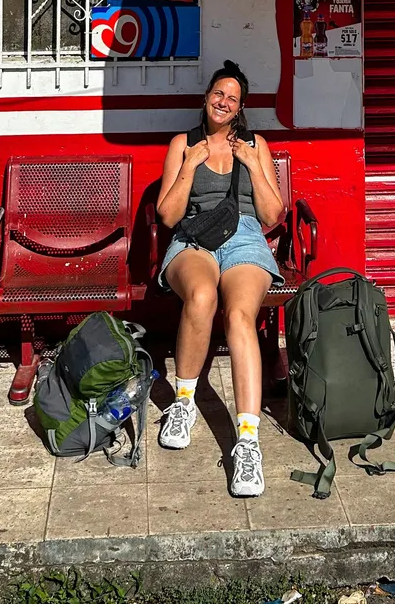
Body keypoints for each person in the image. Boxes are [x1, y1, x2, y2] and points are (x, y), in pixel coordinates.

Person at [155, 60, 285, 496]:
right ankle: (184, 403)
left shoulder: (255, 144)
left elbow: (272, 215)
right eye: (217, 93)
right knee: (201, 296)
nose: (223, 101)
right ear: (206, 97)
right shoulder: (182, 144)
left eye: (232, 97)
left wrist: (251, 162)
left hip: (245, 237)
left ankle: (247, 442)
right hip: (195, 236)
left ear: (240, 107)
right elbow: (168, 215)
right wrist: (190, 167)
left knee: (240, 316)